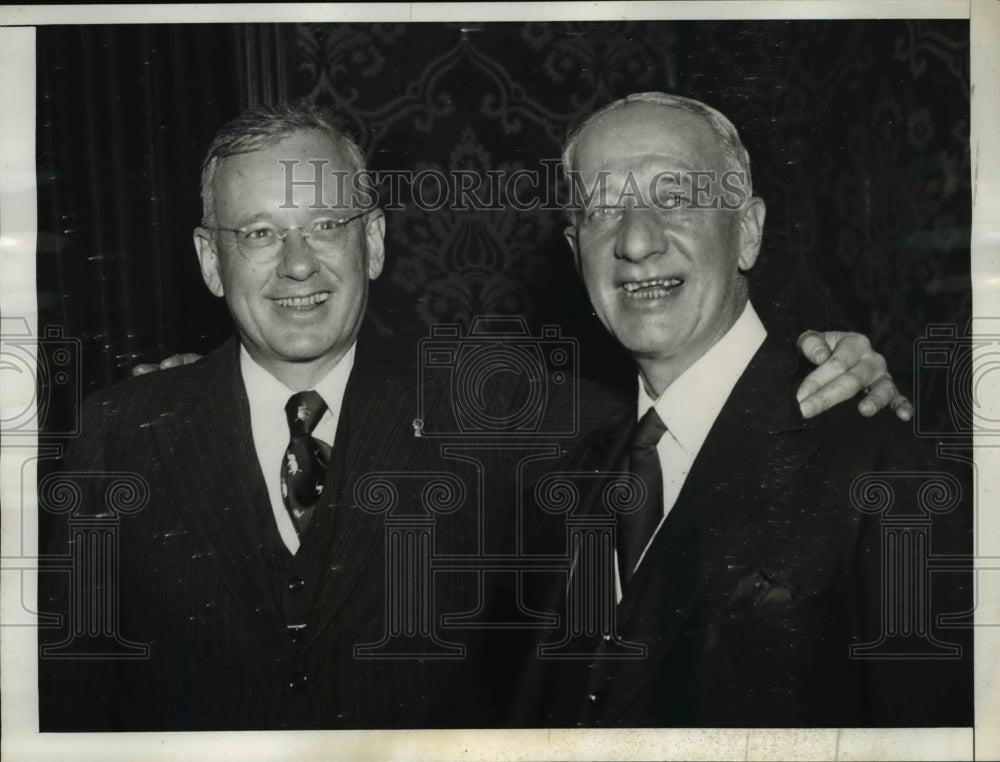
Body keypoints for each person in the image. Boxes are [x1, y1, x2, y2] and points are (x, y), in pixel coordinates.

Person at [39, 101, 920, 731]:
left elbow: (692, 392)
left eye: (328, 225)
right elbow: (65, 708)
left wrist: (832, 362)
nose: (297, 266)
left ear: (375, 241)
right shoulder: (123, 432)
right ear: (208, 259)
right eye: (260, 234)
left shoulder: (504, 413)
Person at [512, 92, 972, 727]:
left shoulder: (877, 457)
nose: (637, 241)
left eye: (673, 198)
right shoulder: (569, 481)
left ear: (747, 232)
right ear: (576, 252)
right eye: (602, 209)